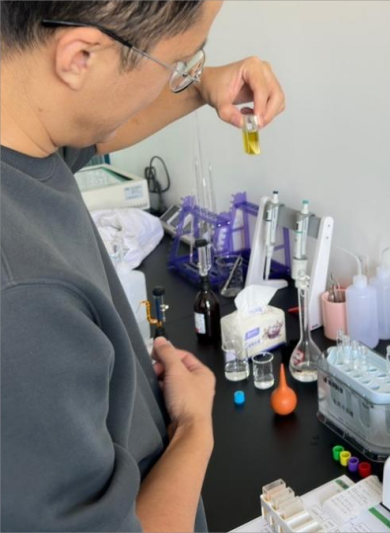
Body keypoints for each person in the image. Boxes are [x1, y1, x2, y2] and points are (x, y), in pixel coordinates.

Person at [0, 1, 285, 531]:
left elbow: (97, 131)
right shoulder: (20, 303)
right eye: (178, 63)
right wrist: (194, 427)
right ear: (80, 57)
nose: (179, 79)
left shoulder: (26, 139)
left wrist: (204, 88)